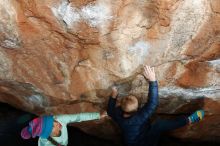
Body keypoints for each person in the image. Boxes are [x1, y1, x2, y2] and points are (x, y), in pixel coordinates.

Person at [107, 65, 205, 146]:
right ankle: (189, 120)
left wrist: (113, 95)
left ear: (121, 107)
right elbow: (152, 104)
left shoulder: (117, 114)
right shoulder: (139, 117)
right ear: (137, 109)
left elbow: (110, 110)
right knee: (158, 125)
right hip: (145, 143)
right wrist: (152, 80)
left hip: (131, 142)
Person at [21, 111, 106, 146]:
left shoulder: (59, 119)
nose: (57, 123)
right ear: (49, 133)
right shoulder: (45, 144)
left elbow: (79, 117)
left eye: (52, 120)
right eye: (53, 126)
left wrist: (98, 115)